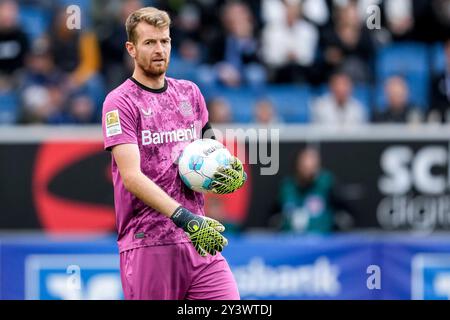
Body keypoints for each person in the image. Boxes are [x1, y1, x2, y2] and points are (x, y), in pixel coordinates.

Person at [101, 7, 246, 300]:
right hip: (148, 243)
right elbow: (131, 177)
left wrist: (230, 171)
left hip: (199, 240)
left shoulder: (190, 93)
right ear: (131, 48)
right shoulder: (119, 102)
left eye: (164, 41)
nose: (159, 50)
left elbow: (211, 150)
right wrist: (184, 218)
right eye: (149, 42)